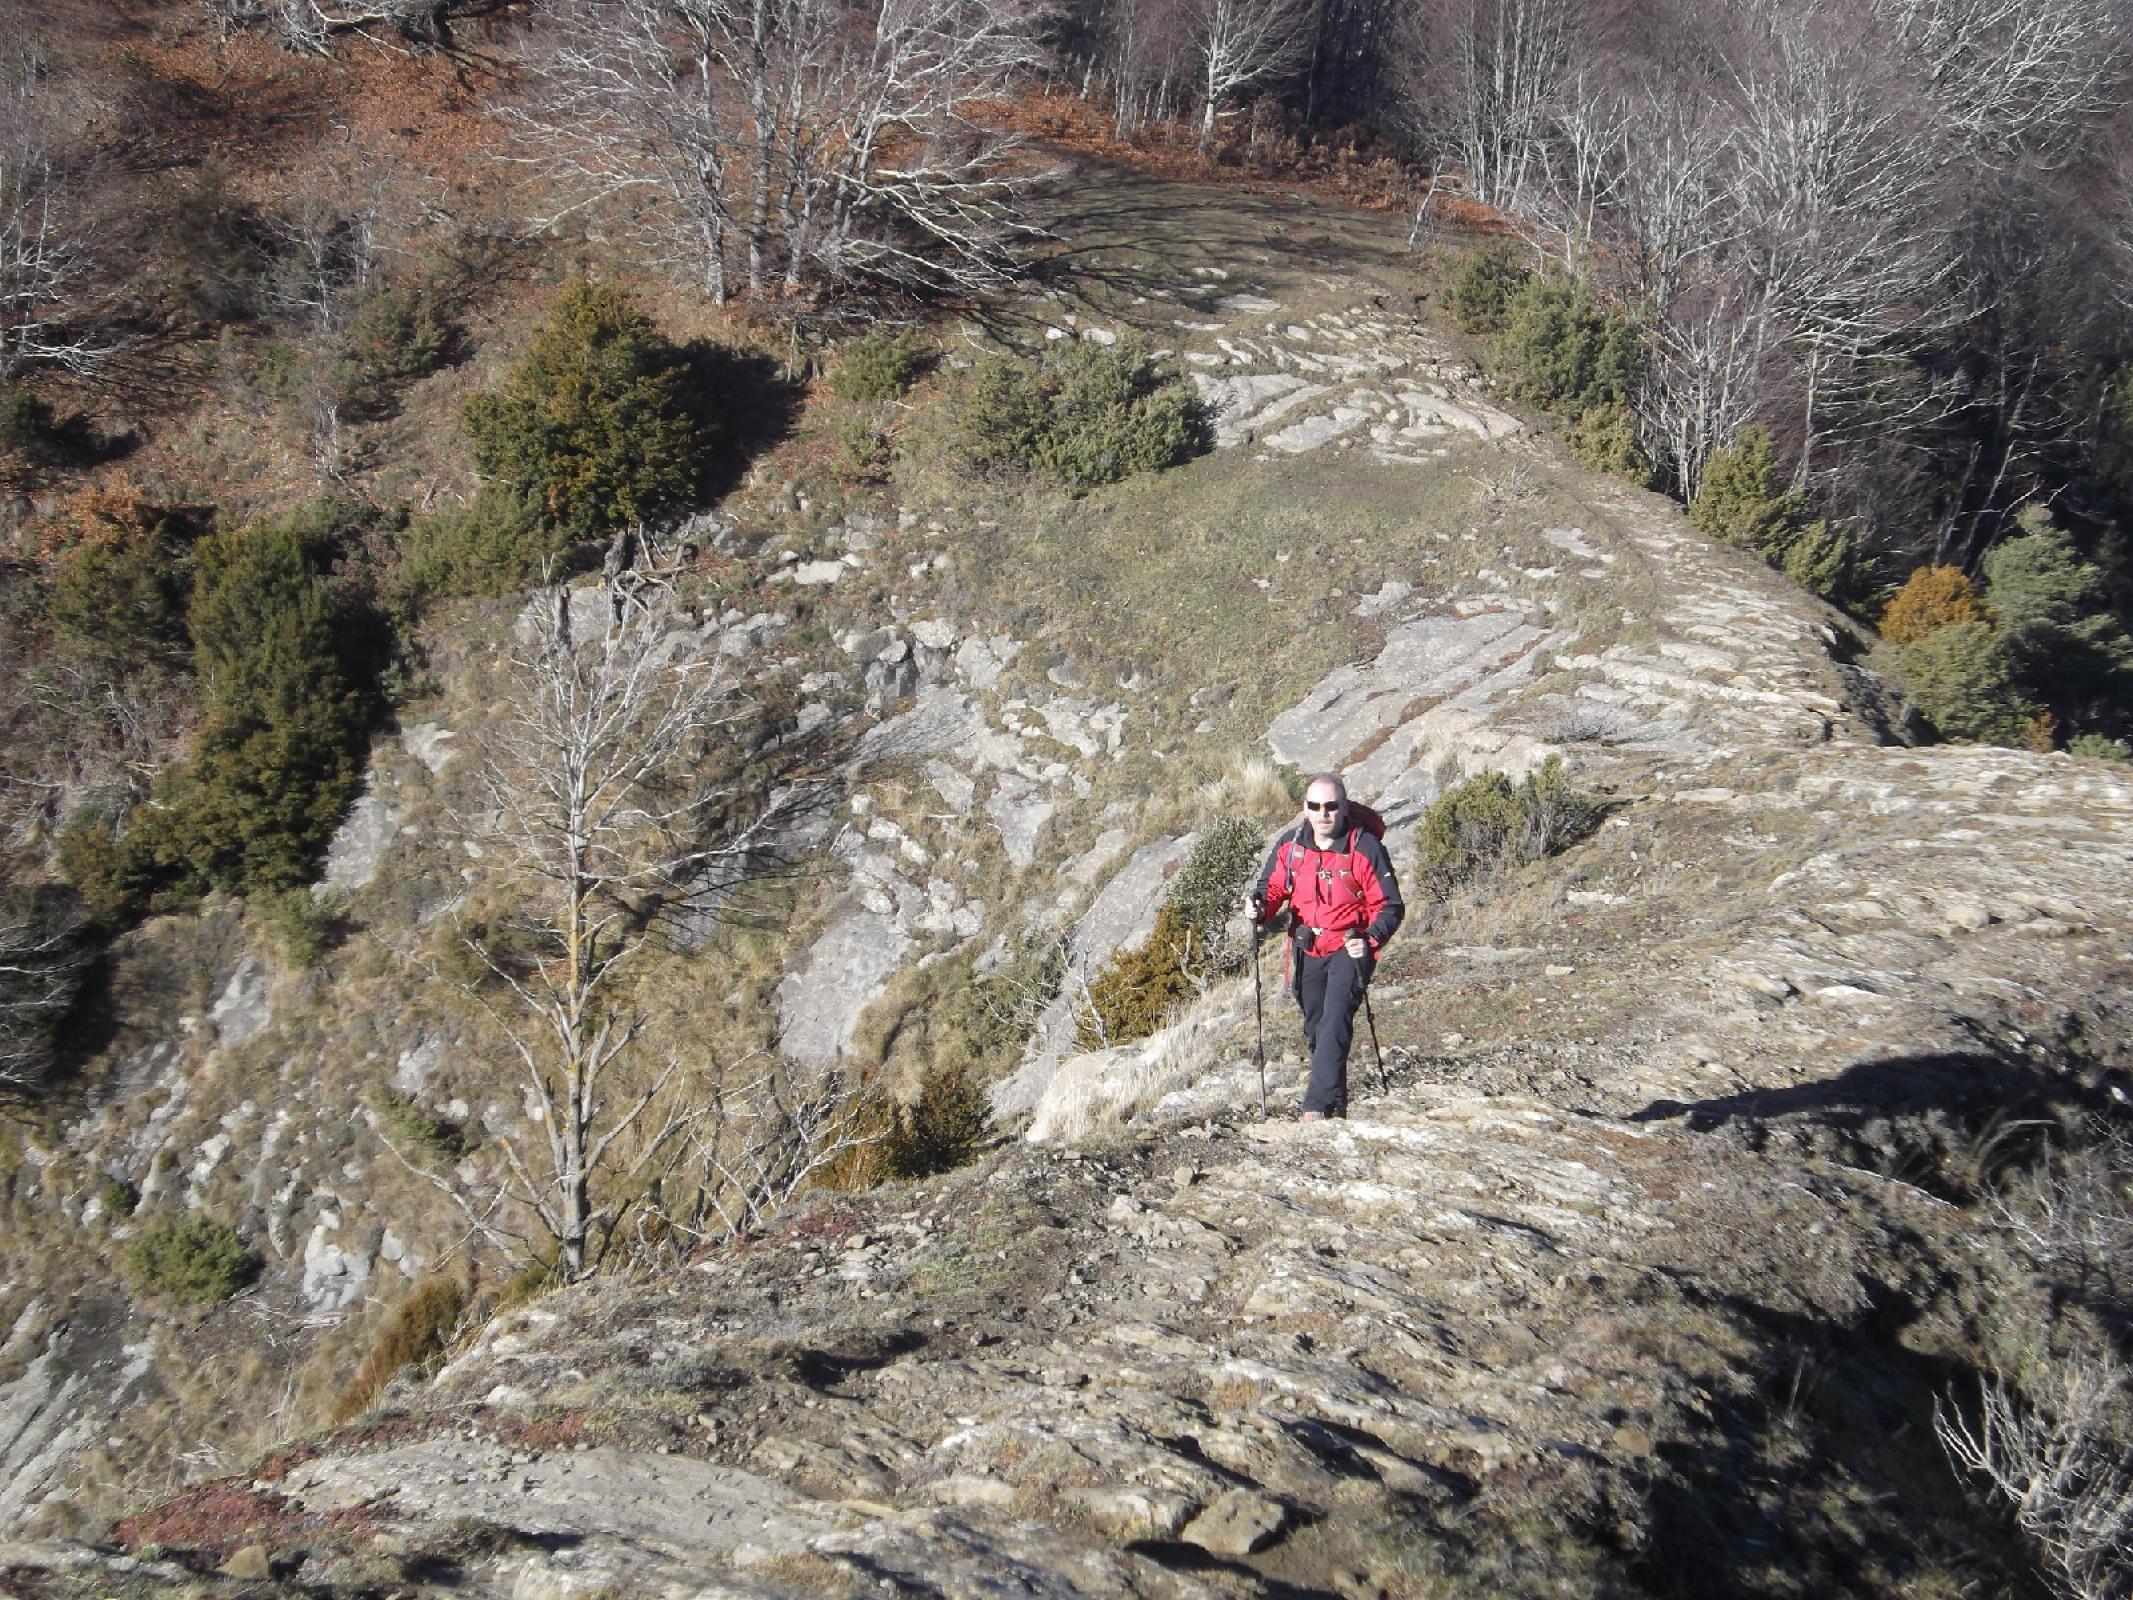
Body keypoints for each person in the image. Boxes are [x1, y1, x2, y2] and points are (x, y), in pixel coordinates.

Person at [1244, 774, 1404, 1120]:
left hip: (1350, 946)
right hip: (1306, 947)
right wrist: (1260, 909)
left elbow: (1390, 906)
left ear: (1343, 808)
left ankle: (1317, 1107)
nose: (1323, 814)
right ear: (1305, 809)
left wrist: (1369, 939)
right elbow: (1271, 889)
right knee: (1317, 1027)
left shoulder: (1364, 848)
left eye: (1331, 806)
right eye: (1315, 806)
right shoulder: (1292, 846)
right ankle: (1336, 1102)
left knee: (1334, 1019)